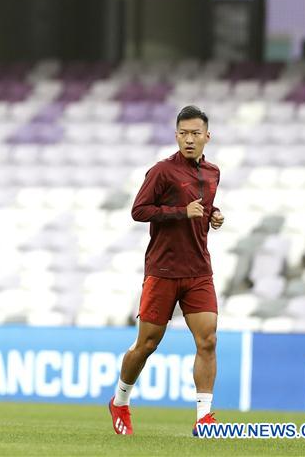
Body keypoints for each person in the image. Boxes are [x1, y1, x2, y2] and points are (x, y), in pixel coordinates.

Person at [108, 105, 224, 436]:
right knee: (146, 344)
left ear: (207, 137)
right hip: (162, 269)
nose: (189, 139)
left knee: (209, 340)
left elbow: (202, 208)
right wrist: (179, 212)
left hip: (199, 269)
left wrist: (213, 216)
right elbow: (139, 211)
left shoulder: (213, 173)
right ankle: (120, 401)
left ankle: (204, 418)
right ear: (176, 136)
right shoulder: (161, 171)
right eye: (183, 133)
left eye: (195, 133)